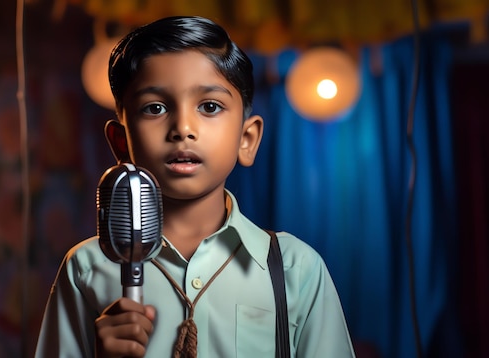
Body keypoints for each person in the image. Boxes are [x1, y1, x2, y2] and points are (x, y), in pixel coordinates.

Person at [35, 16, 355, 358]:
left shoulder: (295, 269)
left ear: (247, 139)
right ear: (121, 143)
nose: (183, 128)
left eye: (209, 106)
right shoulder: (86, 268)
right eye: (155, 108)